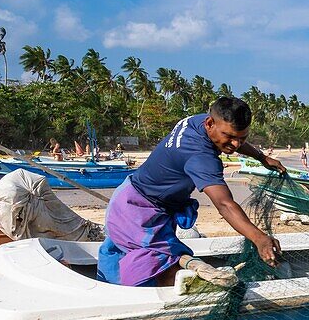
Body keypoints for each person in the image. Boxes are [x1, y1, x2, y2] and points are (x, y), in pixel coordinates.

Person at [97, 96, 287, 287]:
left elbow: (233, 137)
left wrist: (261, 157)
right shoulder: (201, 157)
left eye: (242, 138)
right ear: (210, 123)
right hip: (135, 209)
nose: (235, 145)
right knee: (161, 263)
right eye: (229, 137)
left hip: (138, 195)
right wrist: (258, 238)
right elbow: (225, 204)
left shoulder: (198, 121)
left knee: (144, 253)